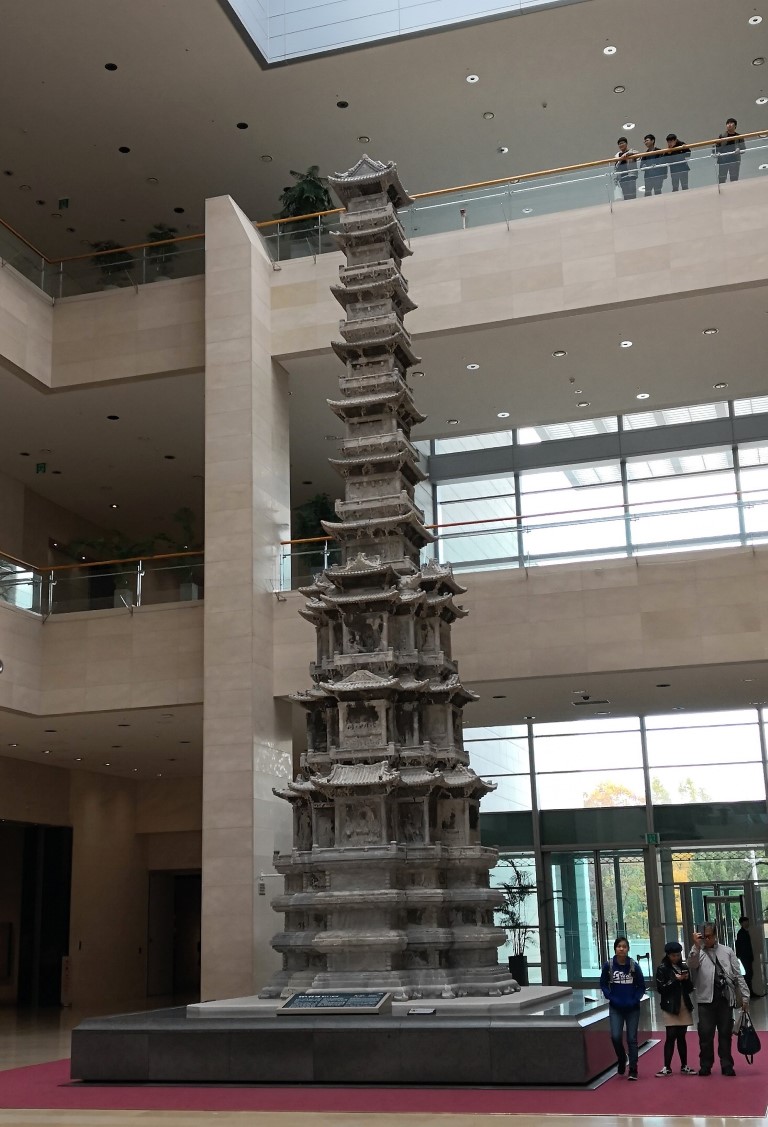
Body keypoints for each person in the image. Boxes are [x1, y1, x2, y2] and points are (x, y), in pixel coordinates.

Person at [688, 922, 749, 1076]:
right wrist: (695, 946)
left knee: (725, 1033)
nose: (706, 939)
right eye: (703, 936)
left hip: (725, 998)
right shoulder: (698, 951)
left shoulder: (727, 951)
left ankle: (727, 1064)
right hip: (705, 1000)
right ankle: (705, 1065)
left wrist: (745, 996)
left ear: (715, 936)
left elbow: (737, 975)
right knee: (705, 1034)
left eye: (709, 936)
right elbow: (691, 964)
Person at [600, 935, 646, 1080]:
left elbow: (641, 986)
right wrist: (610, 996)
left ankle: (633, 1068)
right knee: (615, 1036)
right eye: (619, 946)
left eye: (624, 946)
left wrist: (635, 999)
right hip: (616, 1007)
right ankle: (621, 1058)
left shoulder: (633, 966)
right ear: (615, 948)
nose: (621, 949)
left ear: (628, 949)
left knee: (632, 1038)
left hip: (632, 1008)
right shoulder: (609, 965)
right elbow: (603, 983)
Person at [655, 941, 697, 1075]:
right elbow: (661, 989)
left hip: (683, 1004)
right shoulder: (662, 968)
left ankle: (684, 1065)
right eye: (673, 955)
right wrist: (675, 980)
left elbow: (690, 988)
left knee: (681, 1036)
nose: (676, 958)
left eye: (678, 955)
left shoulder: (683, 967)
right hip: (670, 1005)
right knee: (671, 1035)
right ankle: (666, 1066)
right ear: (668, 955)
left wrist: (686, 979)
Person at [735, 916, 761, 997]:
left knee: (749, 974)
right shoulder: (741, 933)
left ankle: (749, 992)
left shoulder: (745, 932)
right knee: (748, 975)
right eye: (746, 922)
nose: (747, 923)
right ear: (742, 923)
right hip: (745, 957)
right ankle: (748, 993)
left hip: (747, 957)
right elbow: (741, 946)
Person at [714, 117, 746, 184]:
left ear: (735, 126)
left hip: (734, 159)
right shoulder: (722, 136)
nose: (729, 124)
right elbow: (716, 147)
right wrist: (717, 152)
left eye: (731, 123)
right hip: (723, 159)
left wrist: (739, 149)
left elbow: (743, 149)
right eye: (728, 123)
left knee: (734, 178)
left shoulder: (739, 136)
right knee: (722, 178)